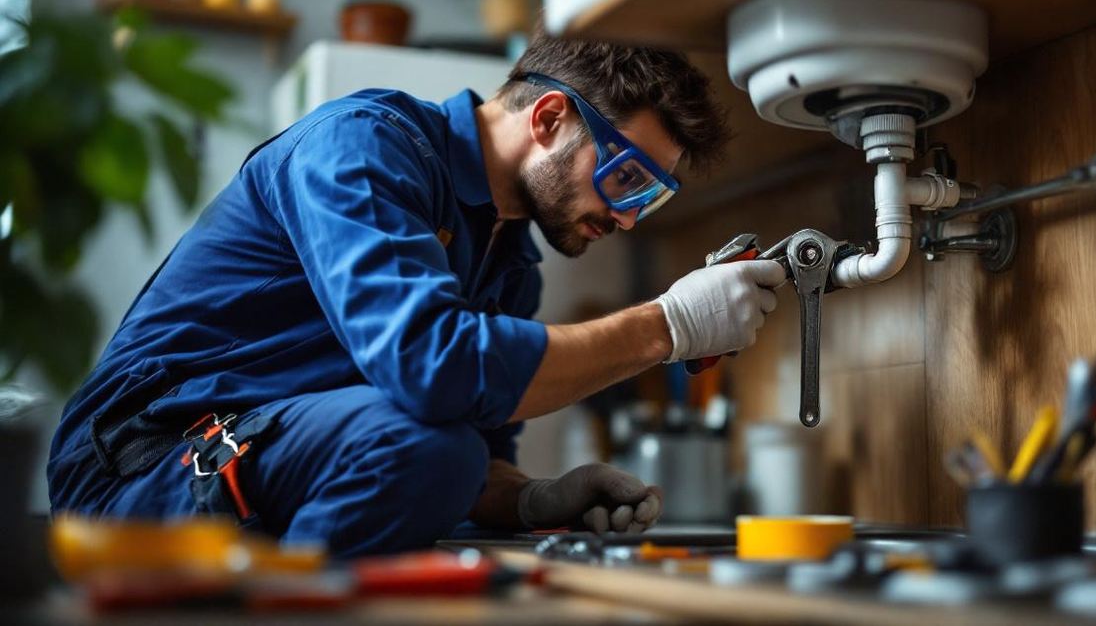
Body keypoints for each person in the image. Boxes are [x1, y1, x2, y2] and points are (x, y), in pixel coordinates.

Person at [46, 32, 785, 558]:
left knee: (443, 449)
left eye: (648, 199)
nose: (626, 216)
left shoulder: (509, 264)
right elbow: (432, 369)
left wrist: (533, 498)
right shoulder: (365, 146)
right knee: (425, 444)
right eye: (627, 178)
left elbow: (475, 459)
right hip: (139, 464)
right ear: (551, 119)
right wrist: (668, 325)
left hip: (265, 453)